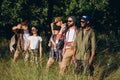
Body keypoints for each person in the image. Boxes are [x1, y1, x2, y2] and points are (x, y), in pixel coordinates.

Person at [73, 15, 96, 80]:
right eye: (81, 21)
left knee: (88, 74)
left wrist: (91, 58)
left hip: (86, 57)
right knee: (77, 74)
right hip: (78, 56)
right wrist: (73, 55)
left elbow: (93, 47)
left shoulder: (91, 32)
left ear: (87, 22)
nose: (81, 23)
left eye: (83, 22)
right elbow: (75, 44)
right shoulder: (79, 31)